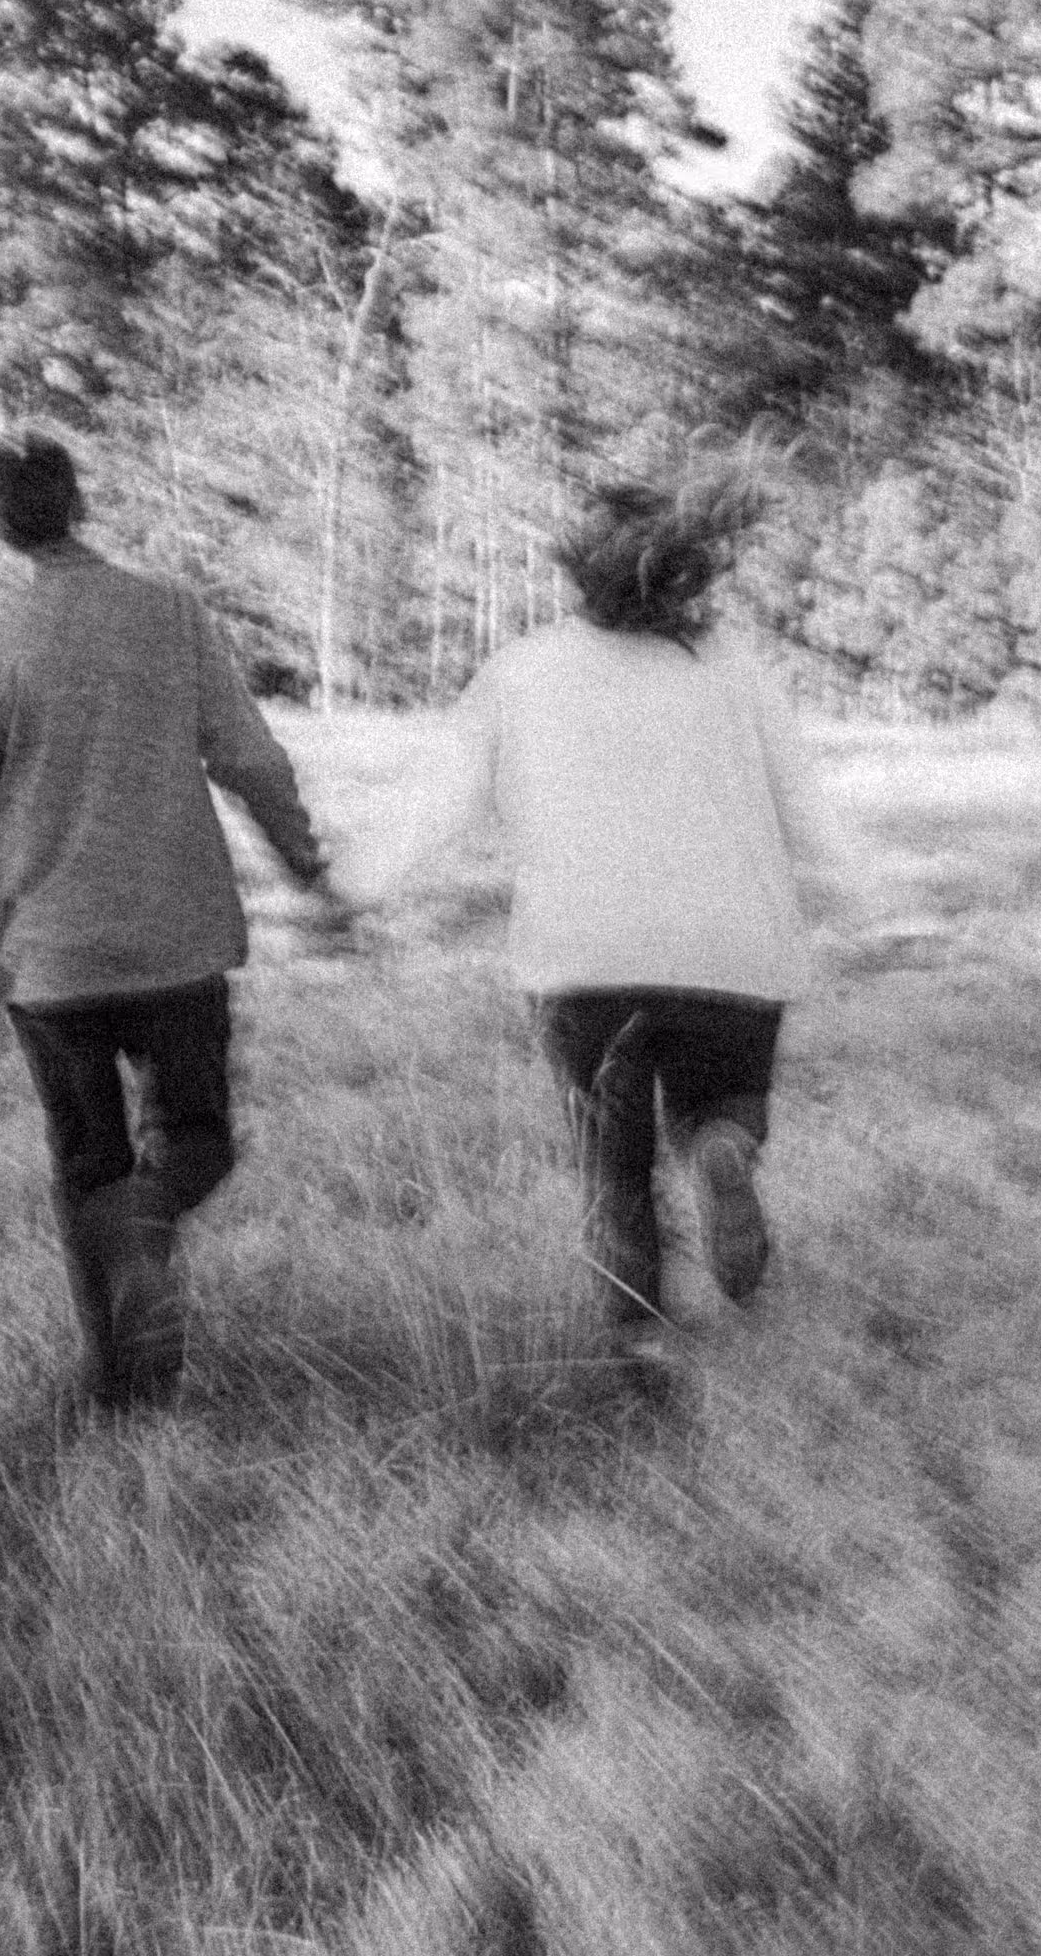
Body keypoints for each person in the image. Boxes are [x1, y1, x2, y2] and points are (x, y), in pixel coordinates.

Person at [334, 460, 892, 1383]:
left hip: (583, 961)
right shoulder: (737, 672)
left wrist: (346, 890)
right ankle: (720, 1146)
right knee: (725, 1102)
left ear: (578, 572)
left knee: (614, 1167)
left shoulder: (518, 671)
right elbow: (810, 813)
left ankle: (637, 1348)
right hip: (732, 950)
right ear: (690, 572)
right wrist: (879, 907)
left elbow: (434, 809)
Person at [0, 432, 342, 1410]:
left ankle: (125, 1385)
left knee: (87, 1171)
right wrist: (309, 873)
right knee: (196, 1143)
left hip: (51, 963)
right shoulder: (170, 613)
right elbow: (251, 757)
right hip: (177, 943)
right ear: (78, 502)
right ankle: (151, 1229)